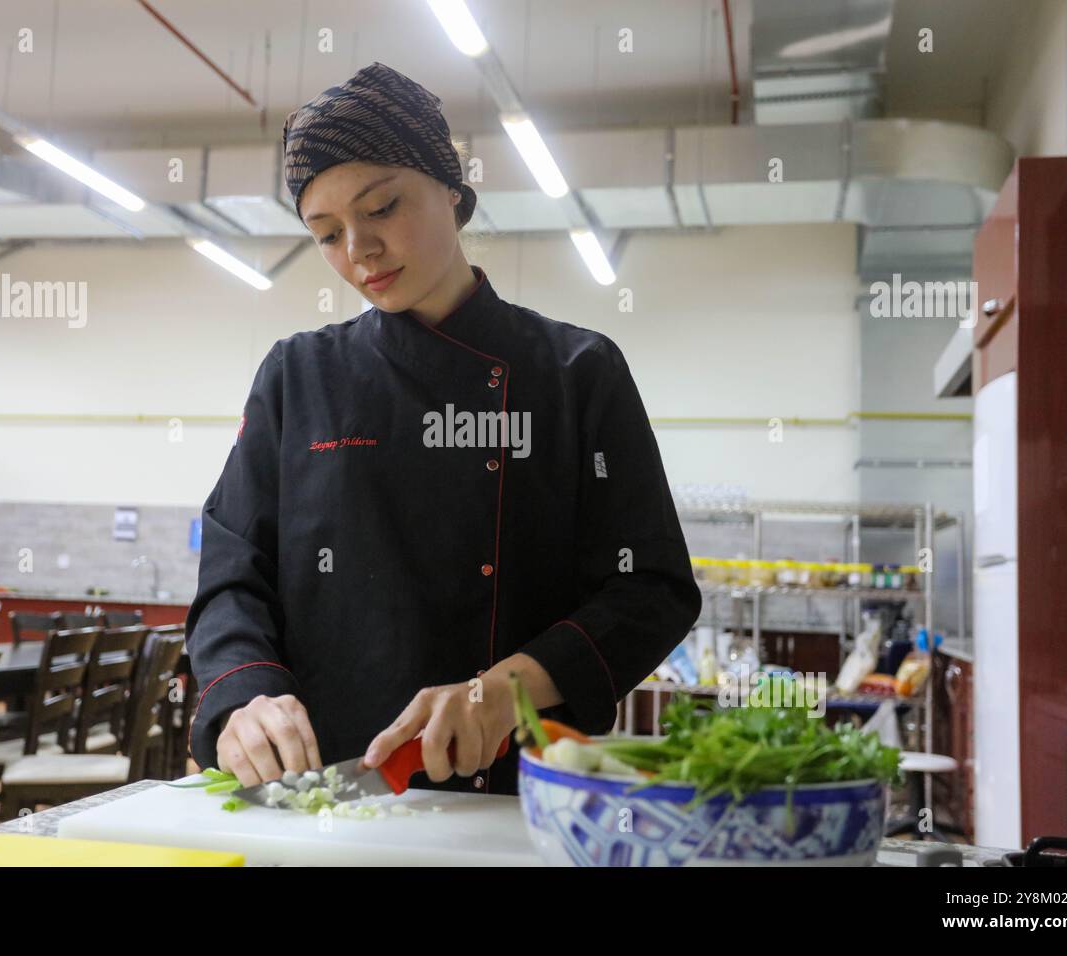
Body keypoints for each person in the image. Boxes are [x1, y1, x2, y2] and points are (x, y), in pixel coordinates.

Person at [186, 62, 700, 796]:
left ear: (452, 191)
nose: (358, 250)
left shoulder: (576, 372)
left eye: (383, 207)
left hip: (519, 798)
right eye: (326, 233)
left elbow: (650, 589)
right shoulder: (298, 376)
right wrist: (245, 696)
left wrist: (502, 690)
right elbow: (234, 569)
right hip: (324, 797)